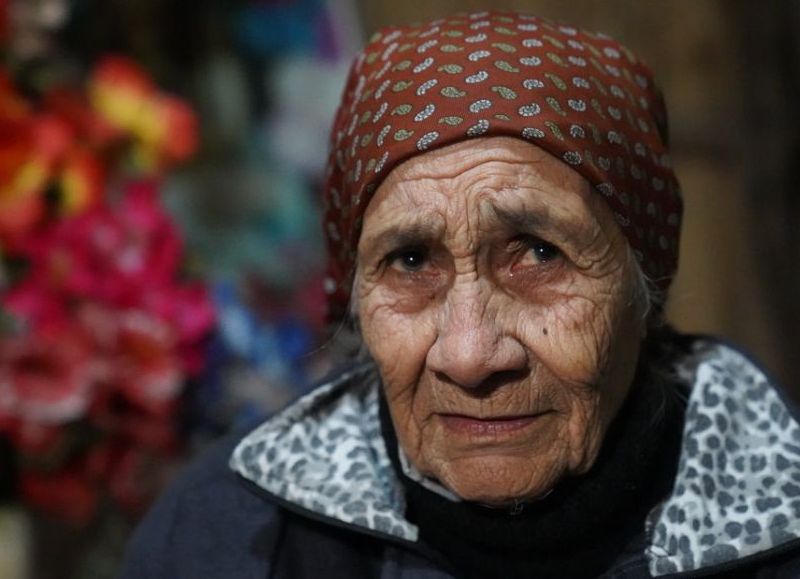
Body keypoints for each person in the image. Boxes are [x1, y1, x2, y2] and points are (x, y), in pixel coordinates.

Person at [120, 10, 800, 579]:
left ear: (642, 284)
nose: (471, 355)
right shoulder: (224, 538)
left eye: (539, 253)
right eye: (410, 259)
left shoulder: (777, 515)